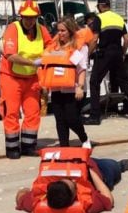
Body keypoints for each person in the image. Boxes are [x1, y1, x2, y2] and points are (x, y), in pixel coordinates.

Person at [0, 0, 52, 158]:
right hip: (11, 77)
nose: (29, 20)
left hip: (32, 78)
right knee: (11, 112)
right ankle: (12, 148)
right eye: (26, 17)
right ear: (21, 16)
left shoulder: (42, 30)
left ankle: (29, 146)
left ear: (37, 17)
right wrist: (32, 62)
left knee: (33, 112)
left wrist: (47, 58)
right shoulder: (12, 29)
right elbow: (10, 55)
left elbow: (50, 46)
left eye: (32, 17)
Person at [15, 148, 128, 213]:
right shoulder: (87, 203)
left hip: (76, 160)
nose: (71, 179)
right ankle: (120, 166)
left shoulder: (38, 200)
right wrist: (90, 170)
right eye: (73, 184)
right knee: (112, 165)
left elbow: (20, 195)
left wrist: (33, 188)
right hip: (99, 171)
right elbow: (109, 200)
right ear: (74, 197)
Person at [85, 0, 128, 125]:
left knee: (94, 82)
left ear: (100, 6)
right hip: (118, 53)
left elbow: (95, 39)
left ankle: (95, 117)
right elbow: (127, 39)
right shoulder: (118, 18)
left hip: (104, 53)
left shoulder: (98, 18)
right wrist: (123, 53)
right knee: (124, 83)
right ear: (109, 5)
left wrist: (87, 54)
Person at [39, 16, 92, 148]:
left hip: (72, 89)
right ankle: (64, 146)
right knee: (60, 121)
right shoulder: (54, 47)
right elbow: (45, 64)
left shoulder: (79, 48)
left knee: (72, 119)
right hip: (56, 88)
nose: (60, 33)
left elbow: (81, 69)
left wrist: (80, 87)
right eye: (58, 30)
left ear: (70, 31)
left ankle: (84, 139)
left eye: (63, 31)